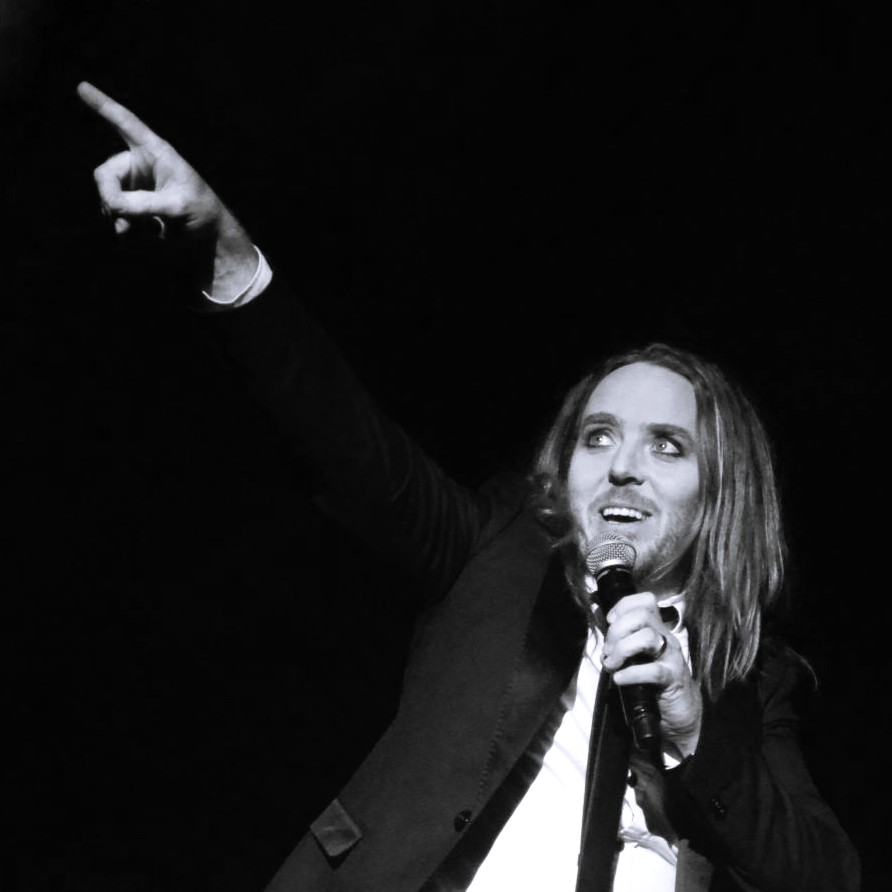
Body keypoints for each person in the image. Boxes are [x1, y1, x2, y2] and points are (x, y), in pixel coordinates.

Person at [76, 80, 860, 892]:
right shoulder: (502, 552)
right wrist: (230, 255)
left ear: (720, 493)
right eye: (598, 437)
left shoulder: (748, 678)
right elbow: (354, 452)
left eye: (666, 446)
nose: (622, 464)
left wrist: (693, 733)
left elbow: (827, 875)